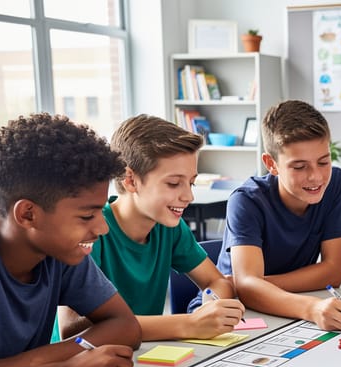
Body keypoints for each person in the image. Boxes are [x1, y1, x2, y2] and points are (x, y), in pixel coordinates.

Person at [0, 113, 140, 367]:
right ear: (28, 215)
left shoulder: (60, 251)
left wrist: (26, 364)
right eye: (87, 216)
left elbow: (125, 326)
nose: (102, 228)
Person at [59, 115, 244, 341]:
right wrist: (188, 324)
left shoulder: (168, 227)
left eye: (191, 182)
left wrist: (210, 305)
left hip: (141, 354)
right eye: (173, 183)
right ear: (131, 180)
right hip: (80, 363)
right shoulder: (92, 231)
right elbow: (71, 328)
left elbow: (216, 282)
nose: (188, 196)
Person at [217, 100, 341, 331]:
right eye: (299, 167)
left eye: (323, 162)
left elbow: (334, 271)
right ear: (271, 164)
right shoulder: (246, 201)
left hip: (283, 306)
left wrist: (256, 285)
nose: (316, 177)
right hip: (233, 312)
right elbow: (246, 290)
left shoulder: (334, 182)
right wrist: (311, 308)